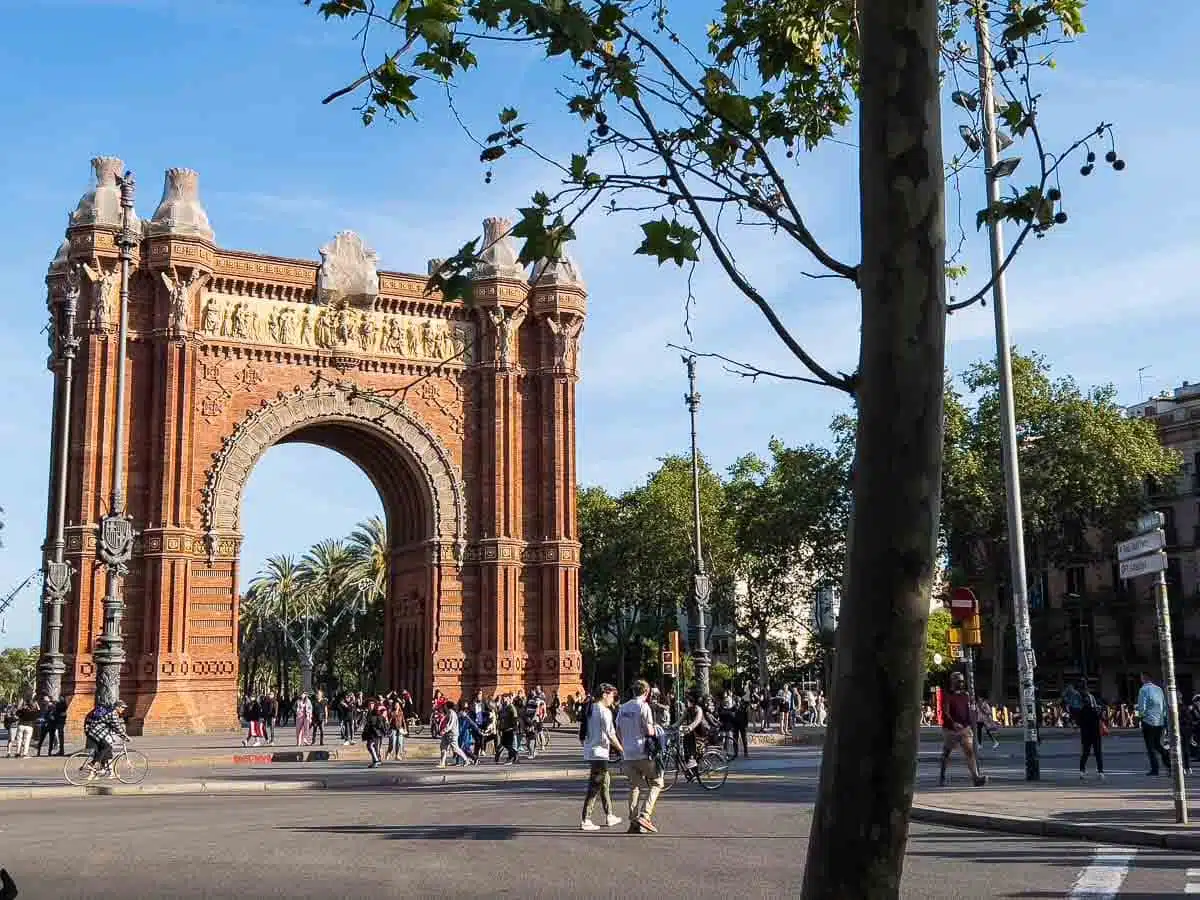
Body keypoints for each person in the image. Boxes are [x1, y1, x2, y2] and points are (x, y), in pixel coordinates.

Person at [616, 679, 665, 834]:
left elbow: (617, 730)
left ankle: (633, 821)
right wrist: (657, 729)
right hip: (643, 752)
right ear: (646, 692)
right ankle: (645, 815)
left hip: (627, 753)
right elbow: (649, 731)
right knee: (657, 783)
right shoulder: (643, 707)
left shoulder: (623, 708)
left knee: (634, 786)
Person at [580, 683, 623, 831]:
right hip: (600, 752)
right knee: (595, 786)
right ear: (604, 694)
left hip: (593, 751)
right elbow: (611, 734)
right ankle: (586, 819)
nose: (613, 699)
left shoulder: (591, 708)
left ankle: (609, 815)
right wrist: (622, 749)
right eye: (611, 696)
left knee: (605, 783)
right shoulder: (604, 711)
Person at [938, 673, 987, 787]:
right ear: (953, 682)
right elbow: (945, 711)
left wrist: (970, 723)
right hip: (951, 730)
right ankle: (942, 777)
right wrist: (953, 723)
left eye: (962, 681)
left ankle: (975, 777)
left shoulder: (966, 695)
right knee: (946, 753)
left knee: (970, 752)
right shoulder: (947, 695)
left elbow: (969, 710)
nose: (961, 683)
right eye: (958, 681)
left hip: (965, 729)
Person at [83, 700, 129, 779]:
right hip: (97, 732)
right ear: (117, 707)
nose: (123, 709)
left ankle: (102, 770)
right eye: (122, 707)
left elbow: (113, 726)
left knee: (105, 750)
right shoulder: (113, 713)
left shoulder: (111, 712)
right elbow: (117, 726)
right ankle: (92, 764)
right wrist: (125, 736)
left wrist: (121, 735)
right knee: (106, 747)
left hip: (97, 732)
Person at [1136, 672, 1171, 776]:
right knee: (1157, 744)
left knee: (1150, 747)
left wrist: (1140, 717)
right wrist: (1164, 719)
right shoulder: (1159, 689)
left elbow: (1142, 705)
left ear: (1144, 678)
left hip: (1148, 721)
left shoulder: (1143, 689)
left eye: (1141, 677)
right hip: (1159, 721)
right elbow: (1164, 705)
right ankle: (1168, 763)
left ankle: (1155, 769)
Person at [1076, 681, 1106, 780]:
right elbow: (1100, 714)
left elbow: (1078, 717)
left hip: (1086, 730)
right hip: (1095, 728)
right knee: (1098, 752)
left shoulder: (1079, 702)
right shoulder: (1093, 699)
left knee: (1085, 751)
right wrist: (1098, 711)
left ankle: (1082, 771)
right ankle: (1100, 772)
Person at [437, 701, 472, 768]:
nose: (444, 707)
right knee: (443, 747)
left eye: (445, 705)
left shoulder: (452, 713)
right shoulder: (448, 713)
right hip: (447, 734)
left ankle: (466, 759)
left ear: (447, 706)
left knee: (455, 748)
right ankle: (442, 763)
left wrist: (444, 730)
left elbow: (450, 724)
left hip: (452, 734)